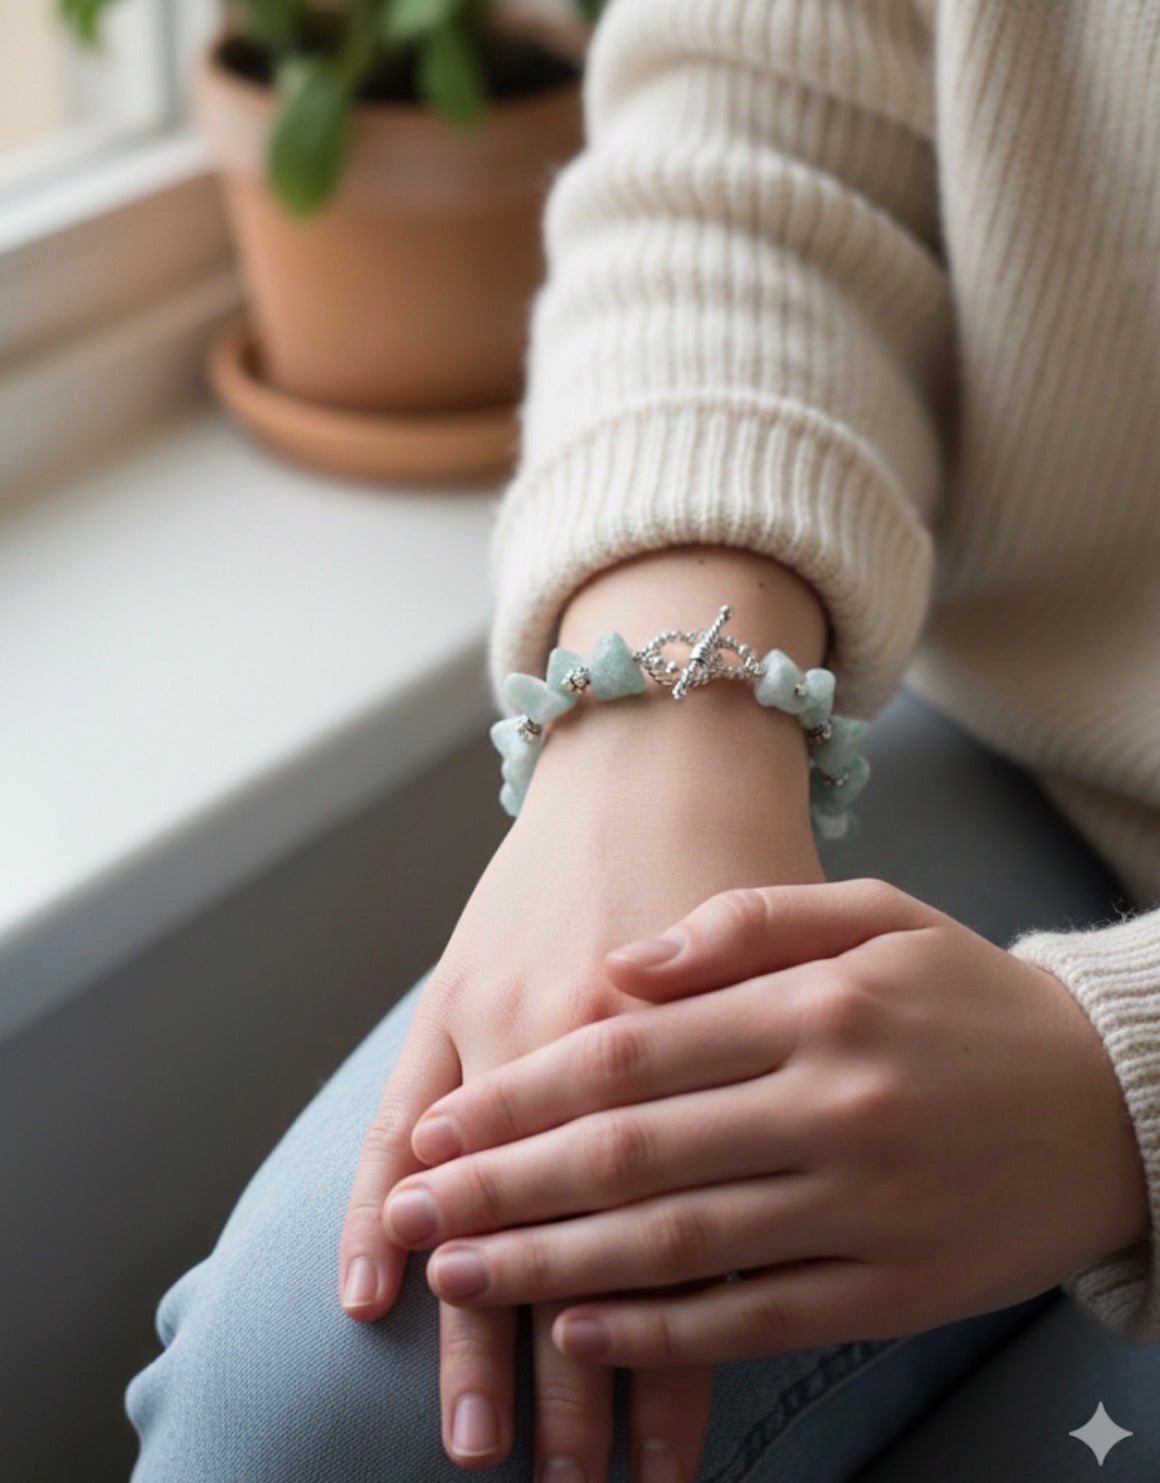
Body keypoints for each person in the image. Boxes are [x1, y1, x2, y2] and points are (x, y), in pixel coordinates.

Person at [124, 1, 1160, 1479]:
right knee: (310, 1410)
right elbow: (760, 132)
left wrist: (1122, 1097)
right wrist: (660, 723)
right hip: (1046, 755)